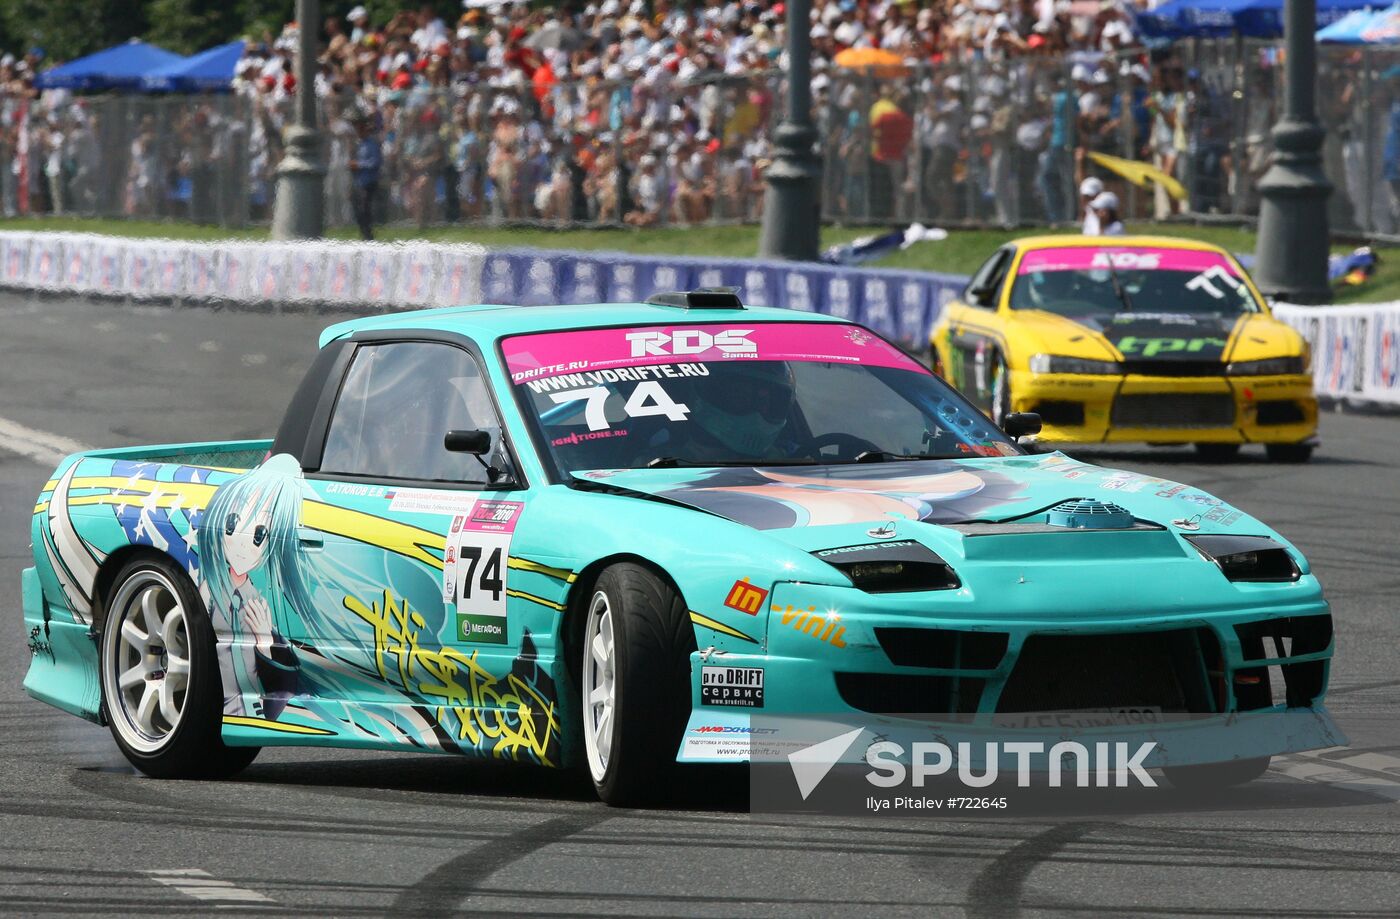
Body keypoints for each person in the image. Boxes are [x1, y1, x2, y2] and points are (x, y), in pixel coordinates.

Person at [349, 115, 382, 241]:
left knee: (364, 210)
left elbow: (375, 162)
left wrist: (358, 165)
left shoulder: (371, 144)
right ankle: (364, 234)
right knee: (359, 210)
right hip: (360, 181)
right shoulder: (360, 145)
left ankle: (368, 236)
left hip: (369, 181)